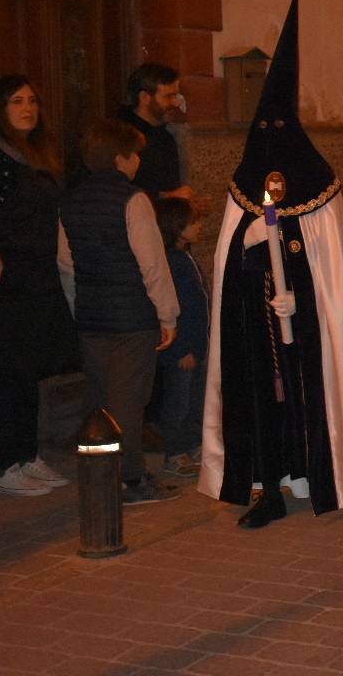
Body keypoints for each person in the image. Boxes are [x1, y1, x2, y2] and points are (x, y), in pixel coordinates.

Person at [198, 0, 343, 528]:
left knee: (311, 395)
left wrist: (301, 297)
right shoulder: (242, 185)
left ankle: (321, 475)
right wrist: (252, 262)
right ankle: (268, 484)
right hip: (253, 322)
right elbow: (228, 258)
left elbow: (335, 276)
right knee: (264, 402)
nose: (269, 148)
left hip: (306, 326)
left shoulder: (319, 187)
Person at [59, 119, 181, 505]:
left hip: (92, 315)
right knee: (129, 400)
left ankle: (99, 472)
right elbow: (152, 264)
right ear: (118, 157)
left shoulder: (70, 200)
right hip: (132, 316)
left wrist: (79, 304)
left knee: (98, 397)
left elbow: (65, 262)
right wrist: (167, 315)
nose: (138, 161)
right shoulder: (133, 200)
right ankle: (131, 480)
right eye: (134, 154)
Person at [0, 75, 78, 496]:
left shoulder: (31, 153)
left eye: (32, 100)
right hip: (7, 277)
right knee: (9, 371)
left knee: (29, 370)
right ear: (1, 107)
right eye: (17, 101)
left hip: (37, 272)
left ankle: (27, 454)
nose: (28, 108)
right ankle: (4, 465)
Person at [154, 197, 207, 478]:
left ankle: (193, 443)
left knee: (196, 399)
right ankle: (174, 452)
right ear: (176, 227)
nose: (199, 226)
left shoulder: (187, 257)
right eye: (193, 222)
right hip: (181, 349)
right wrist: (182, 349)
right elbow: (175, 308)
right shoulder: (170, 262)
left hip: (196, 347)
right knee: (178, 401)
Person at [118, 63, 195, 204]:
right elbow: (117, 190)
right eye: (168, 96)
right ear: (145, 97)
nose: (176, 103)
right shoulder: (121, 135)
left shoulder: (165, 137)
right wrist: (165, 196)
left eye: (176, 96)